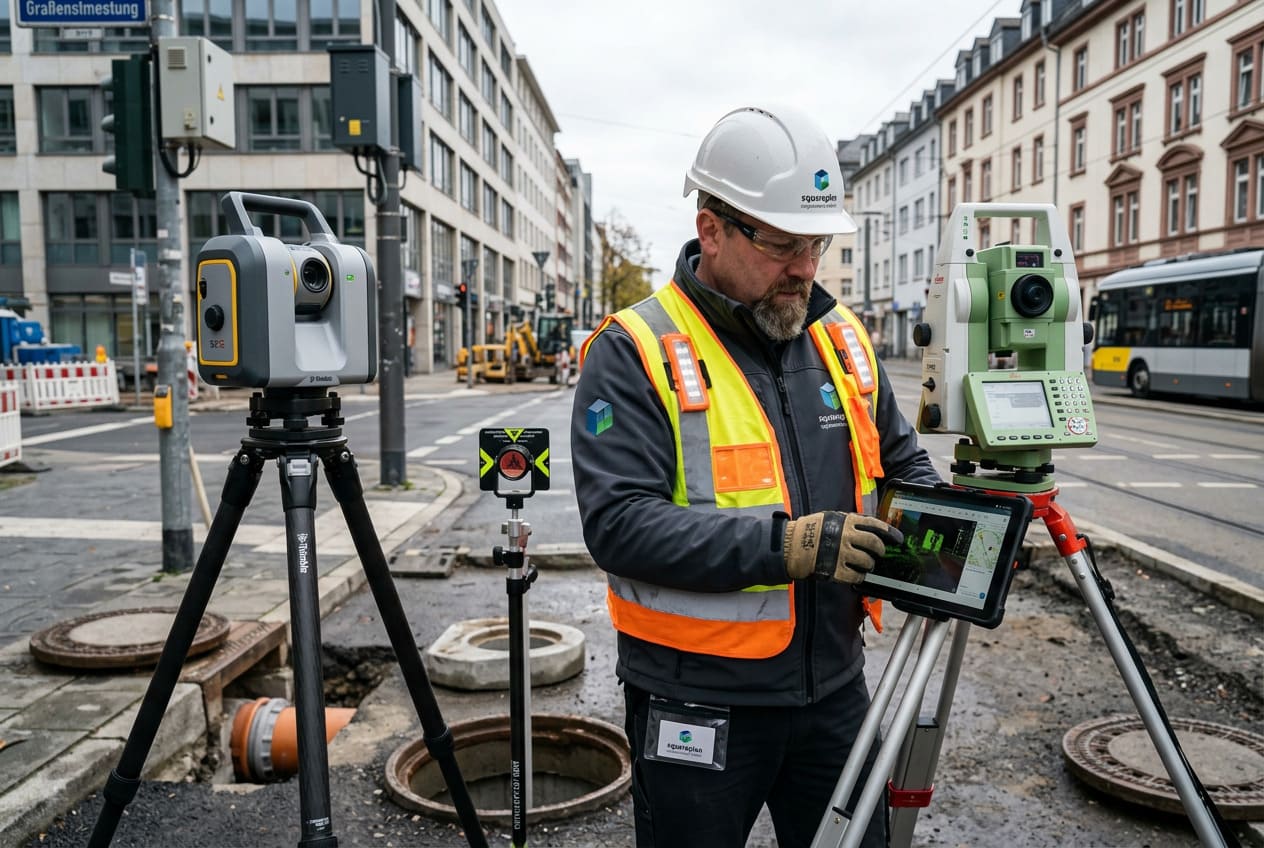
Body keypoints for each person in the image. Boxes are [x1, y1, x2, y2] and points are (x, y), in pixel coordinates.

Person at [570, 104, 940, 847]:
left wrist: (960, 528)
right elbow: (620, 524)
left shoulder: (840, 337)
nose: (806, 267)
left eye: (816, 243)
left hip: (833, 689)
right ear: (712, 230)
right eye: (783, 245)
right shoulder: (634, 348)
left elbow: (901, 465)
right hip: (695, 699)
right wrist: (789, 546)